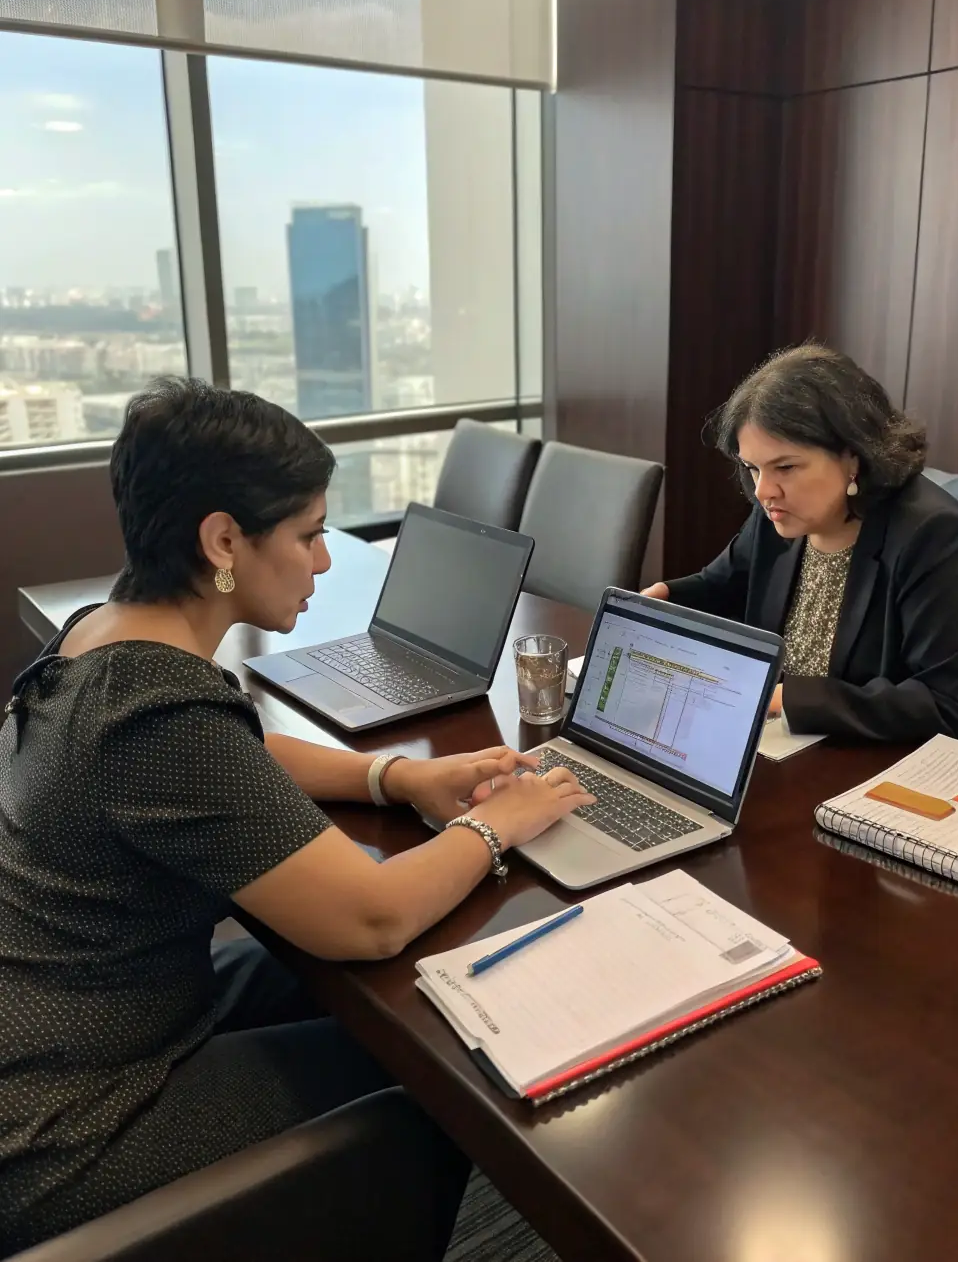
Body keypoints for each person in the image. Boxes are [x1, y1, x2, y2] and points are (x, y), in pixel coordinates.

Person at [0, 379, 594, 1254]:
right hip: (73, 1127)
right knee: (437, 1072)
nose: (324, 558)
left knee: (410, 1003)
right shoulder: (156, 709)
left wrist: (394, 778)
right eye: (311, 533)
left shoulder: (100, 637)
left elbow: (233, 752)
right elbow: (373, 914)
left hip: (70, 1033)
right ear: (223, 539)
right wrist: (500, 820)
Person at [645, 344, 958, 750]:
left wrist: (787, 699)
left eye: (785, 467)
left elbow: (950, 701)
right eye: (752, 468)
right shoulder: (779, 511)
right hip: (817, 747)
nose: (763, 490)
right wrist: (661, 600)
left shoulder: (931, 533)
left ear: (853, 457)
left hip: (941, 765)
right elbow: (723, 585)